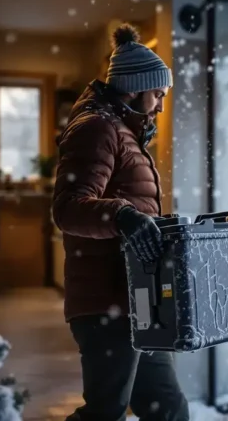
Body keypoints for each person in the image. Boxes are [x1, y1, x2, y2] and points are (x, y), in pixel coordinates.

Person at [52, 23, 189, 421]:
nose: (161, 105)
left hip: (138, 298)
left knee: (168, 407)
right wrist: (126, 216)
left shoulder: (122, 131)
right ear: (136, 89)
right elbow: (69, 208)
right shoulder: (96, 128)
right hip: (105, 301)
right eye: (159, 94)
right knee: (105, 412)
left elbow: (127, 201)